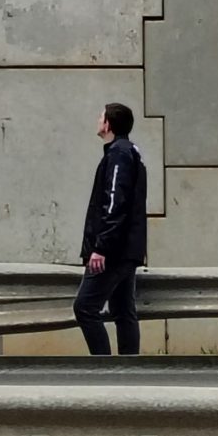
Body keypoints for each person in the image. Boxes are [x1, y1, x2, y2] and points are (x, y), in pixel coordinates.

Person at [74, 101, 148, 355]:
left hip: (114, 251)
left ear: (108, 124)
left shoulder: (118, 154)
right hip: (126, 249)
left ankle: (104, 370)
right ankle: (129, 371)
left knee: (84, 307)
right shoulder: (129, 153)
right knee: (123, 310)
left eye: (100, 117)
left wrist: (101, 247)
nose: (97, 121)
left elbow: (115, 202)